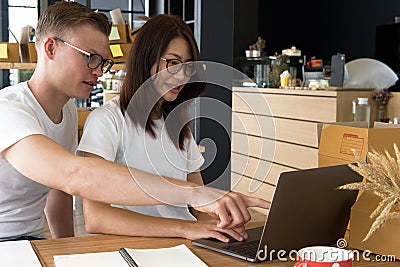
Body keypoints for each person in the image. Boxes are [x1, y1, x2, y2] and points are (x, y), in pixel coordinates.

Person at [0, 2, 268, 242]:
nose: (97, 71)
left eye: (102, 62)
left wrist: (65, 249)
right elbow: (74, 176)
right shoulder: (8, 110)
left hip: (31, 239)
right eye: (90, 57)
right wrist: (192, 194)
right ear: (50, 48)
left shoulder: (67, 112)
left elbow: (58, 190)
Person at [77, 14, 252, 242]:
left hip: (184, 245)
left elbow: (197, 204)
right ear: (145, 58)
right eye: (173, 63)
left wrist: (222, 226)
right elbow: (97, 217)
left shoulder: (179, 128)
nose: (182, 76)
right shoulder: (107, 120)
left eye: (188, 66)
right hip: (135, 246)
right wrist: (184, 229)